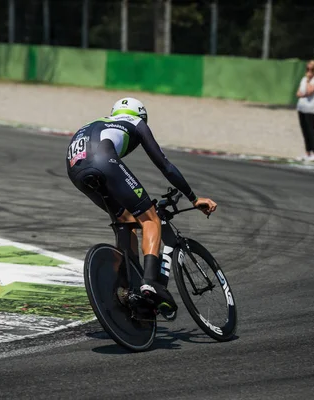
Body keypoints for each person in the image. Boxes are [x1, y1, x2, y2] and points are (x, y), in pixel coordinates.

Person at [66, 97, 217, 313]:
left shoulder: (97, 122)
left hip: (75, 170)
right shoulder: (137, 123)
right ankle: (150, 284)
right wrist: (193, 197)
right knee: (150, 218)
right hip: (102, 162)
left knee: (125, 221)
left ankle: (126, 286)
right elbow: (165, 165)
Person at [296, 60, 314, 162]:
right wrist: (303, 93)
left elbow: (310, 91)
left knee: (311, 130)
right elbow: (298, 93)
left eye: (311, 69)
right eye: (307, 69)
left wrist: (308, 80)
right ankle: (307, 152)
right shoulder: (303, 79)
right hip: (301, 107)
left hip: (310, 108)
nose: (309, 71)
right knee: (304, 130)